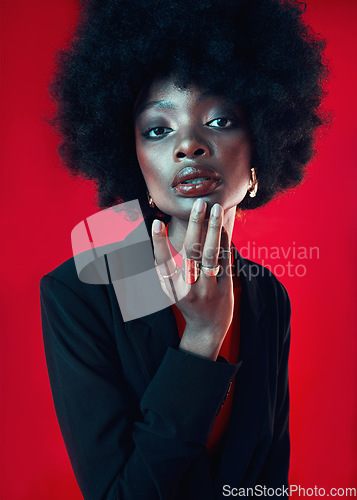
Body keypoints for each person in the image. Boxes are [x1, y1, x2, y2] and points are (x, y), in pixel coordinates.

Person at [40, 0, 328, 498]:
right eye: (158, 129)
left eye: (219, 121)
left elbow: (266, 479)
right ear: (135, 165)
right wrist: (202, 336)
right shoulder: (82, 288)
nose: (188, 145)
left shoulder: (267, 296)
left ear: (262, 143)